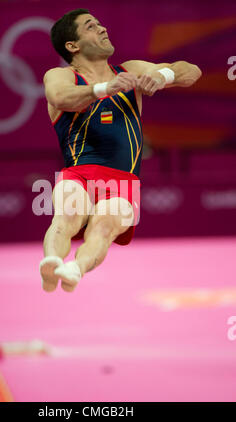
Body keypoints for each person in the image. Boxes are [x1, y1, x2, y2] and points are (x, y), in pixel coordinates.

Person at [39, 8, 202, 293]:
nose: (102, 29)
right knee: (68, 214)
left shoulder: (131, 71)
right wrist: (105, 88)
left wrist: (162, 76)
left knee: (104, 227)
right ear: (72, 45)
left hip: (123, 184)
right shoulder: (61, 76)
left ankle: (74, 269)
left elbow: (191, 71)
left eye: (101, 24)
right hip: (79, 174)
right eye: (91, 26)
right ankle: (51, 264)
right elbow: (60, 97)